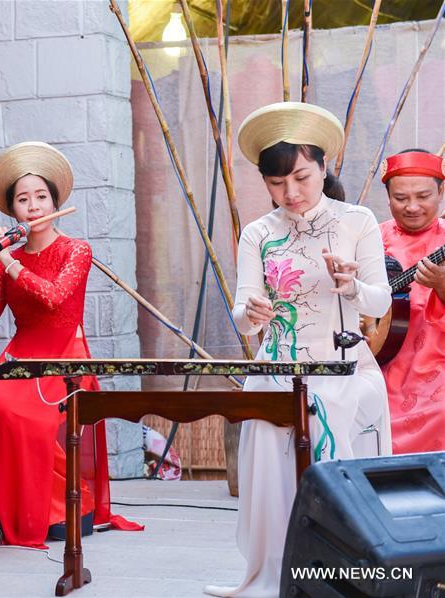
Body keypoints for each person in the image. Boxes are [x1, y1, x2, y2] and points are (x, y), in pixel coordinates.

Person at [205, 103, 393, 597]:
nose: (290, 193)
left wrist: (350, 287)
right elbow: (242, 318)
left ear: (324, 165)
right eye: (276, 183)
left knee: (333, 434)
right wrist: (255, 311)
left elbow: (380, 298)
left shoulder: (357, 221)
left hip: (343, 367)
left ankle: (346, 571)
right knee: (271, 463)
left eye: (302, 177)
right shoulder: (259, 233)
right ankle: (279, 573)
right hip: (277, 367)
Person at [0, 141, 141, 548]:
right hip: (21, 351)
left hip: (62, 353)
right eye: (24, 200)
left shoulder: (76, 250)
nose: (34, 206)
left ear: (54, 201)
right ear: (13, 211)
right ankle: (14, 508)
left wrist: (7, 261)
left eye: (41, 197)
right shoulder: (11, 258)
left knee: (27, 418)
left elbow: (54, 297)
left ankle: (58, 508)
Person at [377, 149, 445, 453]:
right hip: (378, 362)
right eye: (401, 198)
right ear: (388, 196)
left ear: (441, 191)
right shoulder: (371, 238)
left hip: (436, 367)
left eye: (423, 196)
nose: (413, 207)